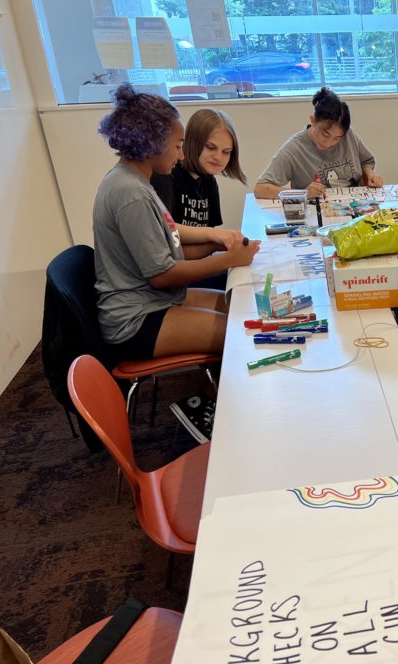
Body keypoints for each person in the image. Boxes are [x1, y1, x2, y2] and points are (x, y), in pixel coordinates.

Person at [94, 85, 260, 439]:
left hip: (152, 302)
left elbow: (171, 239)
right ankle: (216, 421)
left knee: (239, 310)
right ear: (151, 144)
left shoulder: (136, 181)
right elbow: (163, 274)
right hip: (136, 320)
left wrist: (217, 241)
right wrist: (227, 258)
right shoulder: (130, 193)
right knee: (239, 338)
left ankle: (220, 409)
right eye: (178, 144)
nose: (181, 152)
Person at [151, 108, 249, 288]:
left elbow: (203, 246)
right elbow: (165, 231)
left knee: (246, 276)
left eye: (226, 152)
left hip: (190, 267)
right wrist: (216, 237)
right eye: (211, 147)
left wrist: (221, 244)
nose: (218, 157)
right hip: (173, 275)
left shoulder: (209, 181)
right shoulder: (167, 175)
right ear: (193, 142)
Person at [255, 87, 382, 199]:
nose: (328, 143)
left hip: (357, 205)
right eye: (325, 134)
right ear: (313, 121)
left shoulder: (348, 136)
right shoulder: (294, 149)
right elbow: (260, 189)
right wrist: (302, 194)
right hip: (317, 213)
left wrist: (371, 176)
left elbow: (366, 161)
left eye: (337, 138)